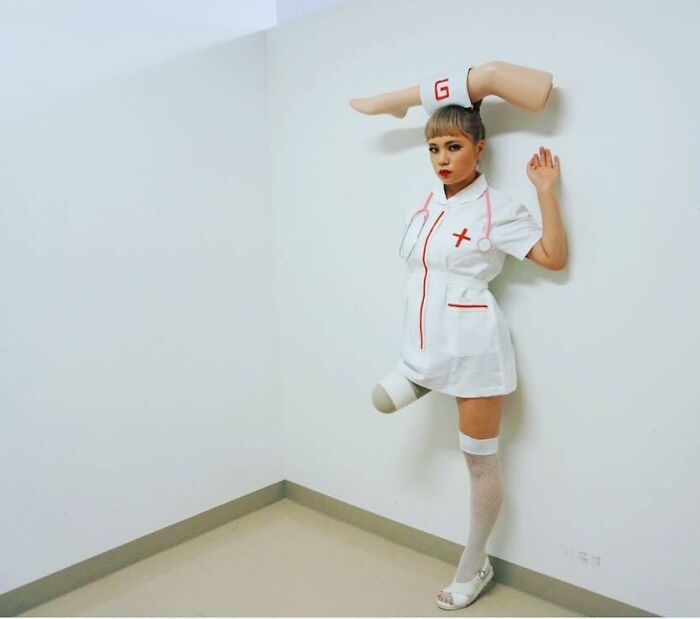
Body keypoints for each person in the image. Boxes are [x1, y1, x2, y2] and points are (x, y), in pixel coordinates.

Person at [372, 102, 568, 610]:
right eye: (434, 148)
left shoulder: (496, 209)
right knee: (381, 400)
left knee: (479, 465)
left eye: (454, 147)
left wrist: (545, 192)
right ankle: (423, 375)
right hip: (422, 346)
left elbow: (553, 257)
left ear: (479, 149)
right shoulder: (423, 202)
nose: (442, 158)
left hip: (474, 351)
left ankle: (474, 563)